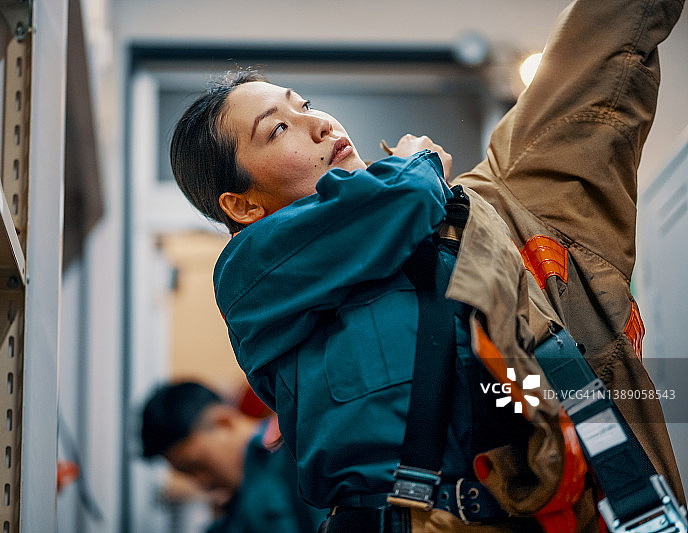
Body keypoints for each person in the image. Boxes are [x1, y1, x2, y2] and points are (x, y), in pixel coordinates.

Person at [168, 0, 685, 531]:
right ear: (243, 206)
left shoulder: (483, 207)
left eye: (304, 104)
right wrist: (417, 166)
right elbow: (400, 200)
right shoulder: (255, 283)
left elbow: (601, 50)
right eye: (276, 129)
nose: (317, 124)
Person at [140, 381, 326, 533]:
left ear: (223, 422)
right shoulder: (234, 503)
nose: (202, 481)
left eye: (198, 465)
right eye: (187, 474)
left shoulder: (294, 448)